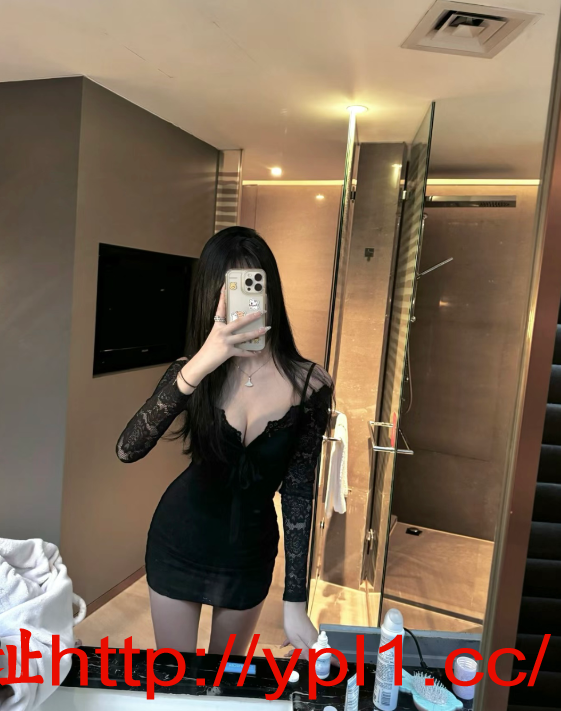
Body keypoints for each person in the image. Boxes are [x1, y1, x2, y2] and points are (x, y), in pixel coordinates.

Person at [116, 226, 333, 659]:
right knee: (175, 680)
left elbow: (298, 494)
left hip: (248, 555)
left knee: (224, 679)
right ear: (211, 296)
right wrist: (202, 363)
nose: (243, 303)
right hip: (178, 541)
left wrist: (295, 601)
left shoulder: (310, 384)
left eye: (253, 286)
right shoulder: (192, 370)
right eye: (231, 290)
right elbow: (128, 448)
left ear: (270, 293)